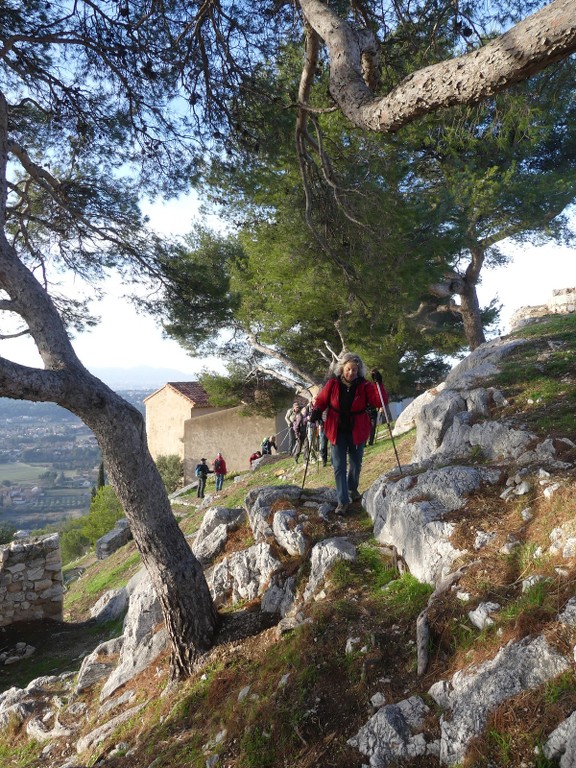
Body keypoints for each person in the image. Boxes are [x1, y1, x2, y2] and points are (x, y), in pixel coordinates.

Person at [310, 352, 388, 516]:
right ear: (342, 368)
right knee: (339, 467)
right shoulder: (332, 384)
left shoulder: (365, 385)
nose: (351, 373)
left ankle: (352, 489)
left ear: (358, 370)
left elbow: (378, 401)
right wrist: (317, 410)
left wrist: (378, 383)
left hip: (357, 430)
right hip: (336, 430)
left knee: (355, 464)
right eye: (348, 369)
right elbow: (321, 400)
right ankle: (342, 501)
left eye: (354, 370)